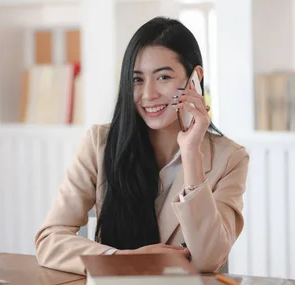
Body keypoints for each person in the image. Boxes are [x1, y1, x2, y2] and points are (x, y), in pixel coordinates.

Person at [34, 16, 249, 275]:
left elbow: (208, 260)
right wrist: (125, 261)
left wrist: (191, 153)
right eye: (137, 80)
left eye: (163, 77)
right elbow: (50, 240)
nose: (148, 94)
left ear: (195, 78)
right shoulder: (99, 144)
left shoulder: (230, 158)